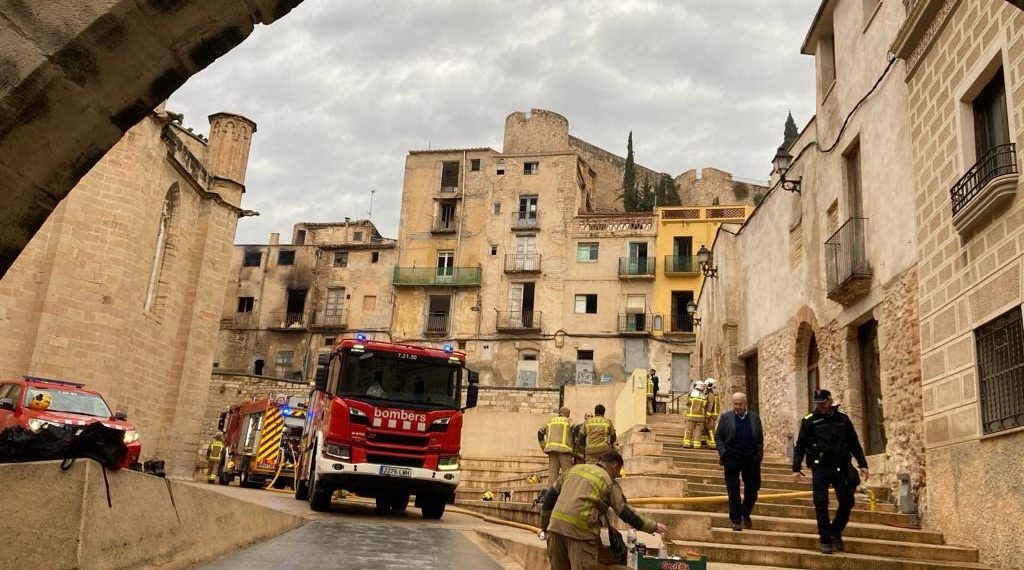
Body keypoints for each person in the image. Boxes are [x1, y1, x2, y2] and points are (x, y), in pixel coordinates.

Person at [540, 450, 669, 570]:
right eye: (618, 471)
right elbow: (625, 512)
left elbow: (549, 498)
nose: (617, 475)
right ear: (614, 466)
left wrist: (544, 526)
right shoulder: (607, 481)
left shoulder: (573, 470)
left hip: (555, 528)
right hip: (580, 533)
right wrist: (653, 526)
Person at [792, 389, 869, 555]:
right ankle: (825, 539)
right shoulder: (809, 420)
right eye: (818, 404)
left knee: (847, 501)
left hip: (841, 465)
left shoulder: (843, 419)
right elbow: (801, 445)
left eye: (823, 403)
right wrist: (796, 468)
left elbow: (854, 442)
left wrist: (863, 464)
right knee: (820, 503)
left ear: (830, 401)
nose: (821, 406)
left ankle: (836, 530)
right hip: (820, 466)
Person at [714, 393, 763, 531]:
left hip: (751, 459)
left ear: (745, 403)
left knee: (753, 489)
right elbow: (718, 436)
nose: (737, 407)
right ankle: (736, 520)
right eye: (735, 404)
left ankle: (745, 511)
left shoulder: (754, 417)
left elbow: (759, 438)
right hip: (732, 458)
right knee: (733, 490)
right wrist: (723, 453)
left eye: (740, 404)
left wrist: (759, 454)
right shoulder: (726, 417)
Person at [538, 407, 575, 486]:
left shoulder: (550, 421)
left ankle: (550, 496)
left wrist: (543, 446)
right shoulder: (568, 421)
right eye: (569, 414)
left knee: (552, 475)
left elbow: (540, 433)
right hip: (564, 450)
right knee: (567, 474)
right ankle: (566, 494)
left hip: (551, 451)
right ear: (567, 414)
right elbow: (576, 430)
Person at [682, 381, 707, 448]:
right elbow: (704, 405)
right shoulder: (704, 397)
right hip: (700, 418)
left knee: (689, 430)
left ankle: (687, 443)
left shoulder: (692, 395)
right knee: (698, 431)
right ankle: (697, 444)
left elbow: (687, 403)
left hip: (691, 416)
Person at [703, 378, 720, 449]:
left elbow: (710, 405)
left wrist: (707, 415)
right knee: (709, 428)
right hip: (715, 413)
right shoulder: (715, 393)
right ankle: (710, 441)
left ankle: (713, 443)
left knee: (710, 428)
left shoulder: (711, 394)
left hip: (711, 414)